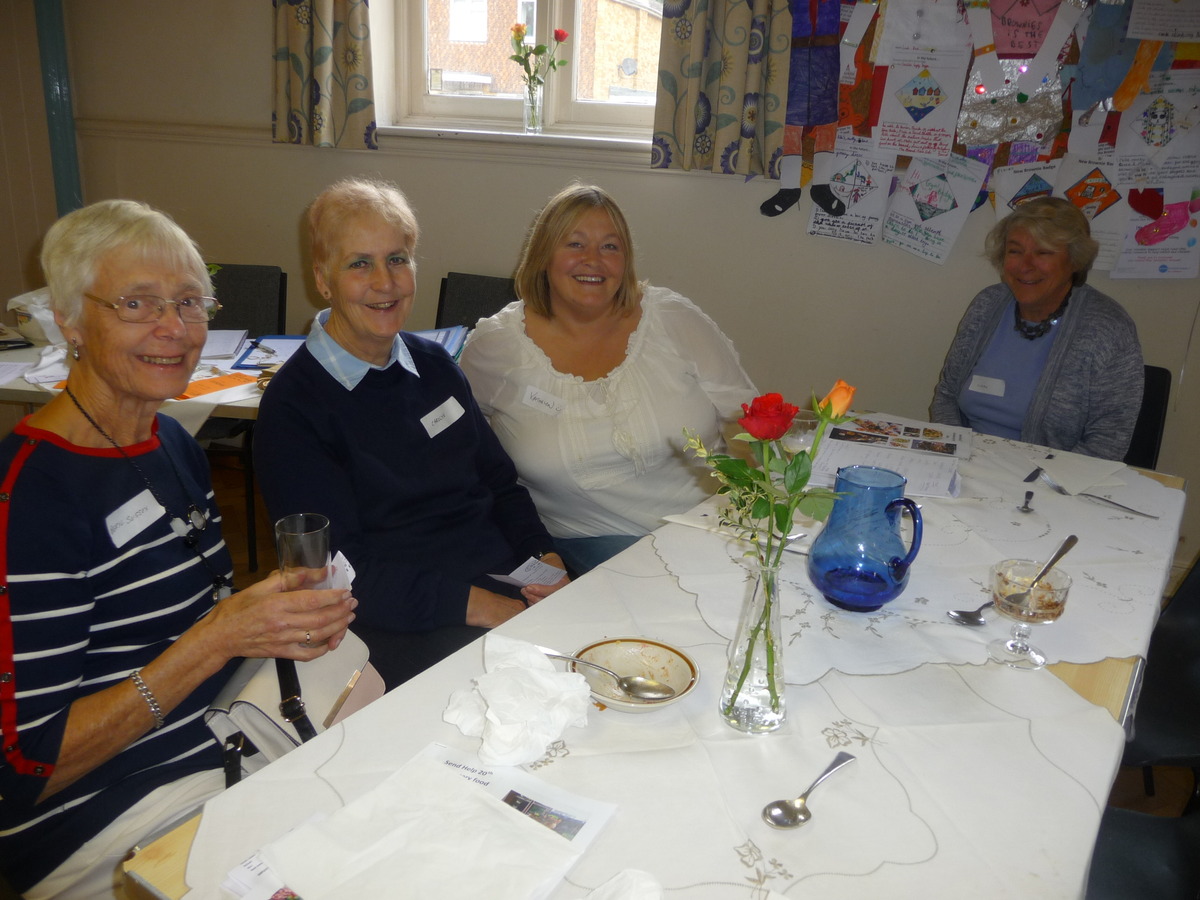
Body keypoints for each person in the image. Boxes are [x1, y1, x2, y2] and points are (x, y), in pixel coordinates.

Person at [0, 200, 357, 898]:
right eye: (137, 303)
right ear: (68, 319)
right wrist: (218, 639)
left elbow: (185, 623)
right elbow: (23, 770)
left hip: (223, 737)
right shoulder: (31, 499)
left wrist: (271, 624)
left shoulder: (168, 443)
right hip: (103, 813)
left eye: (190, 302)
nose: (174, 328)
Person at [253, 178, 568, 690]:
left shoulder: (435, 365)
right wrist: (489, 609)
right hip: (402, 620)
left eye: (397, 259)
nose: (385, 282)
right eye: (360, 264)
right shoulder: (295, 408)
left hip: (503, 584)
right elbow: (339, 573)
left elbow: (499, 484)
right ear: (323, 280)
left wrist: (546, 561)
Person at [459, 184, 757, 575]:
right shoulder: (495, 347)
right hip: (591, 541)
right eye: (575, 244)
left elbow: (745, 419)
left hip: (712, 526)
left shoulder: (673, 318)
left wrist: (752, 510)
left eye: (610, 247)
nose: (593, 260)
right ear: (543, 255)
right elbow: (461, 450)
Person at [930, 197, 1143, 460]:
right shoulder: (987, 305)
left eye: (1043, 253)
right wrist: (954, 456)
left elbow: (1108, 440)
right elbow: (947, 395)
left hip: (1052, 477)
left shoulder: (1107, 327)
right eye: (1015, 251)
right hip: (967, 465)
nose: (1025, 265)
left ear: (1075, 260)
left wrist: (1035, 480)